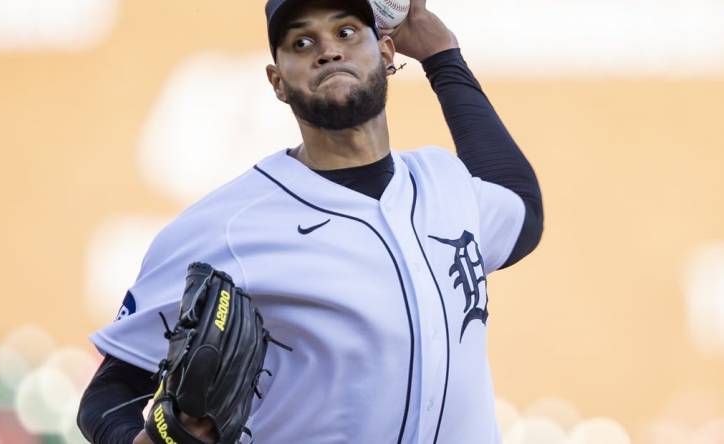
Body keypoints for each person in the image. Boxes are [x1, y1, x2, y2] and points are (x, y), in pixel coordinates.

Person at [77, 0, 543, 442]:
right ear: (277, 81)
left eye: (345, 31)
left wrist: (442, 56)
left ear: (385, 53)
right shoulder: (225, 226)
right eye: (302, 42)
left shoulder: (444, 183)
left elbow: (521, 208)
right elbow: (107, 398)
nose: (329, 49)